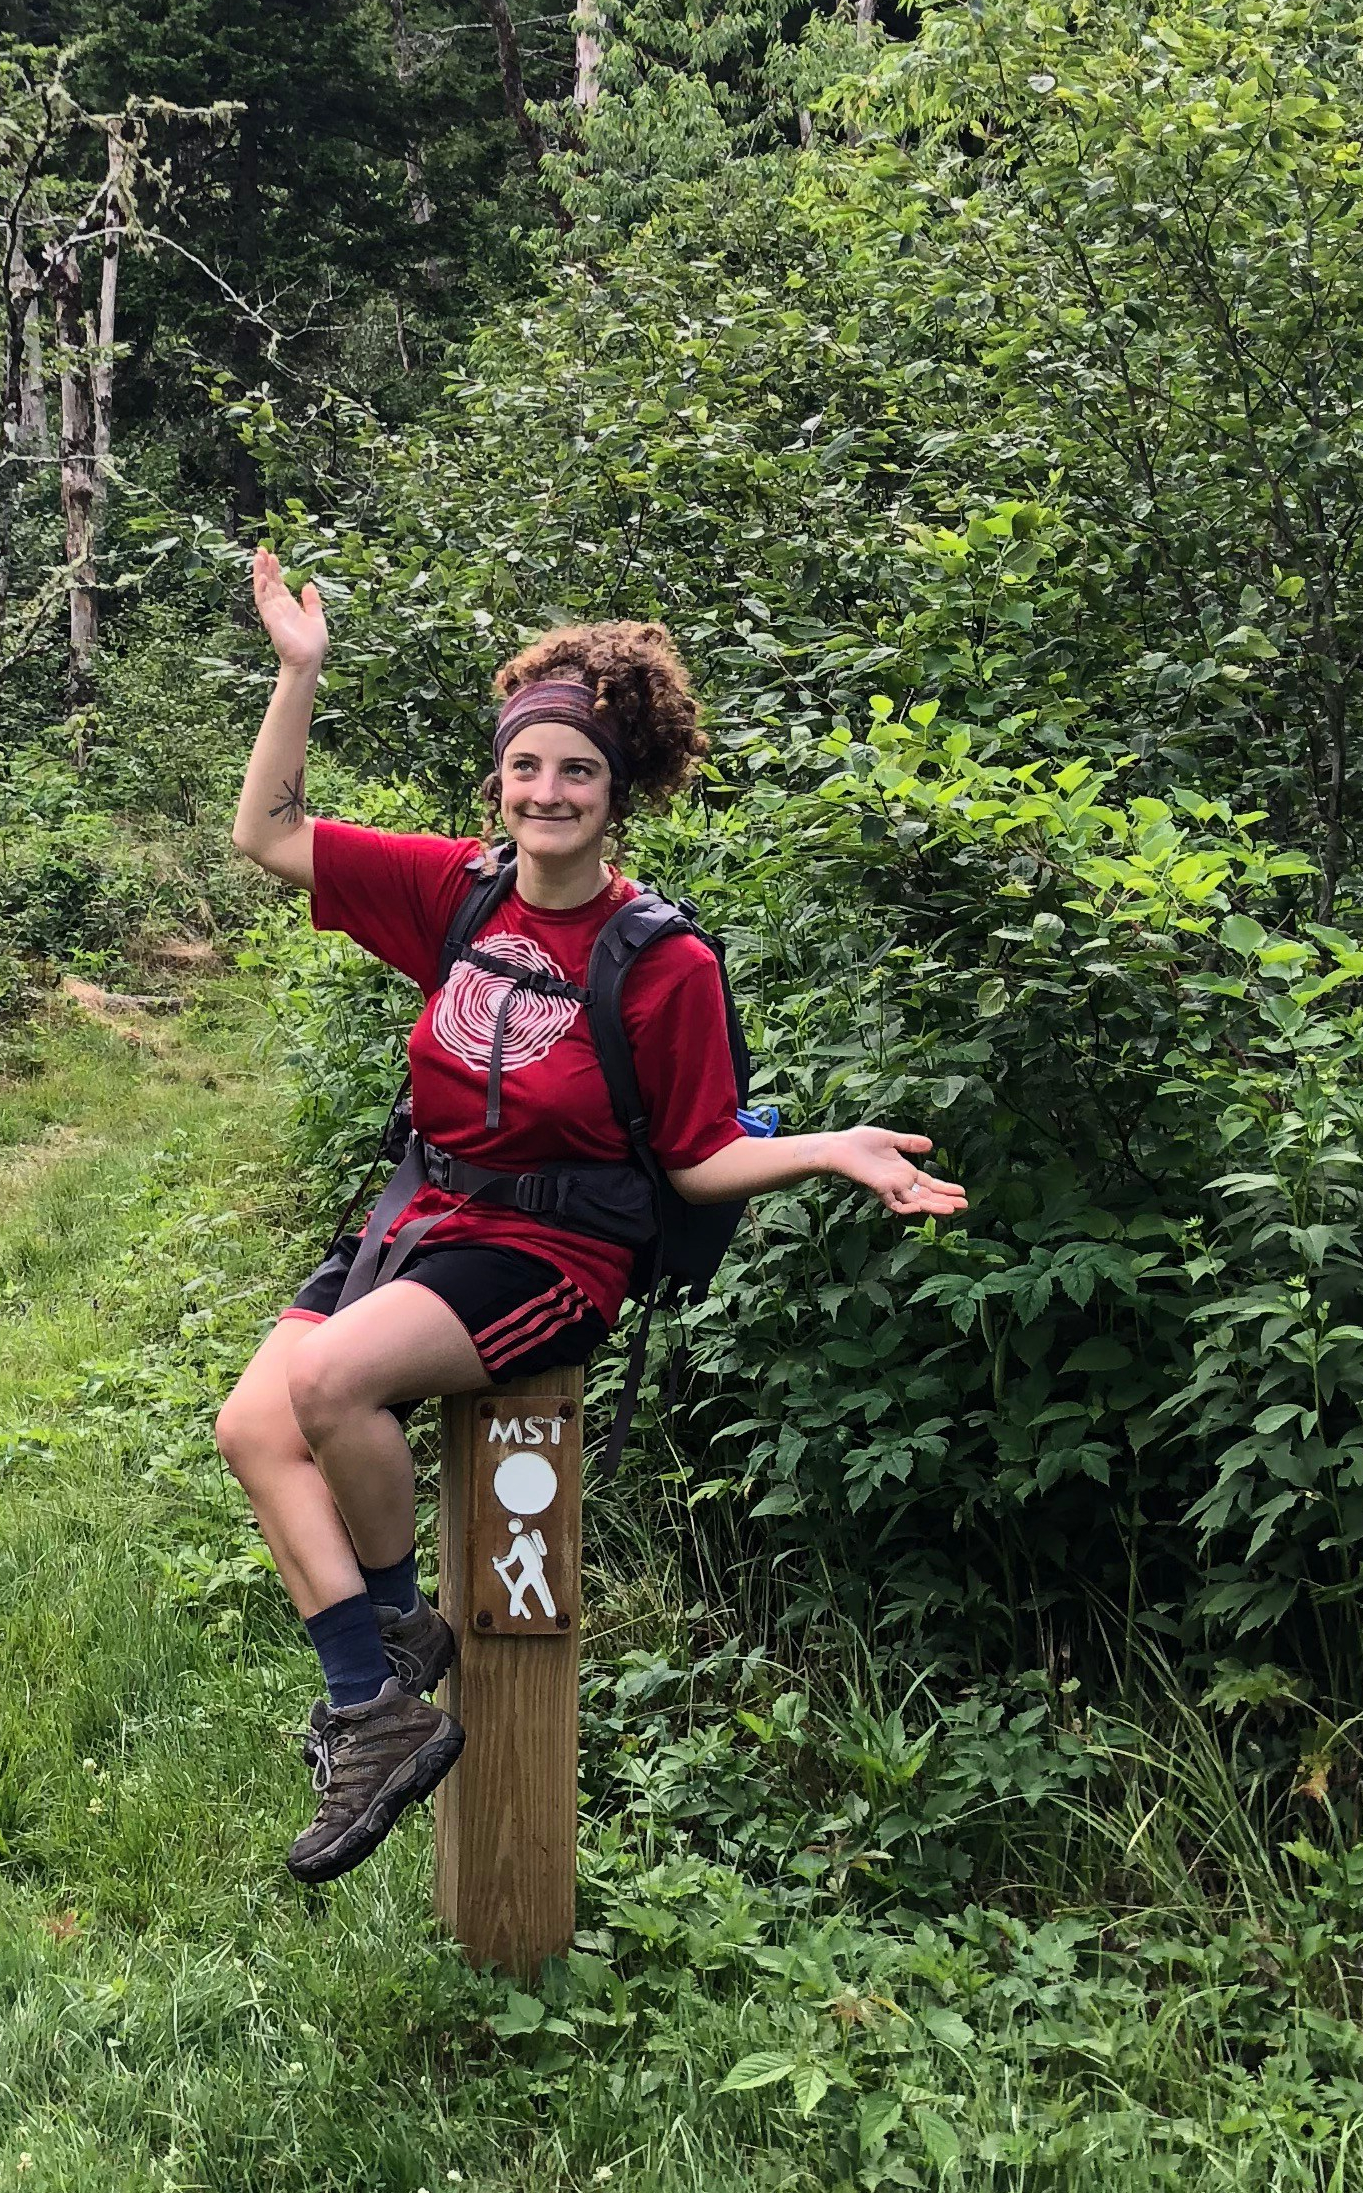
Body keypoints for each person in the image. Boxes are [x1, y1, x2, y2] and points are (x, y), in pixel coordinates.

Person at [216, 551, 968, 1883]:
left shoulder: (659, 960)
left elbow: (692, 1159)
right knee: (250, 1423)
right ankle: (383, 1684)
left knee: (327, 1384)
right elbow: (267, 836)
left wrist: (828, 1150)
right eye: (529, 768)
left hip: (556, 1250)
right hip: (421, 1215)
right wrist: (299, 670)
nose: (548, 793)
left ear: (619, 797)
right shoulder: (461, 893)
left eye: (578, 773)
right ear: (500, 780)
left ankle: (376, 1680)